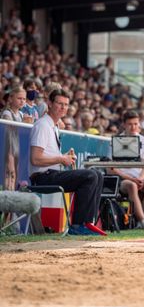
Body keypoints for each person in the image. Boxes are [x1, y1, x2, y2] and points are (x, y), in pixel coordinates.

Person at [29, 88, 105, 236]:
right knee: (90, 176)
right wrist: (61, 159)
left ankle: (89, 222)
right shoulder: (42, 125)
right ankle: (78, 225)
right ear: (50, 104)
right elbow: (35, 159)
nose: (63, 107)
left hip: (51, 173)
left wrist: (64, 157)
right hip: (42, 178)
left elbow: (47, 156)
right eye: (59, 103)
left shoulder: (53, 126)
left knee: (98, 175)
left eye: (66, 104)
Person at [110, 111, 144, 229]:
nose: (133, 127)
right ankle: (143, 221)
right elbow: (111, 168)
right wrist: (132, 179)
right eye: (130, 124)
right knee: (132, 185)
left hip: (140, 178)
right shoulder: (115, 141)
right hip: (123, 180)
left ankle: (139, 222)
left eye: (136, 124)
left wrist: (140, 179)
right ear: (124, 125)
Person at [1, 87, 30, 191]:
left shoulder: (22, 114)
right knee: (9, 172)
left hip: (19, 147)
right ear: (11, 98)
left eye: (24, 99)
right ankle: (6, 196)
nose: (22, 101)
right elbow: (9, 130)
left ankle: (13, 195)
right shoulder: (7, 113)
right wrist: (24, 124)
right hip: (9, 147)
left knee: (16, 174)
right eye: (19, 98)